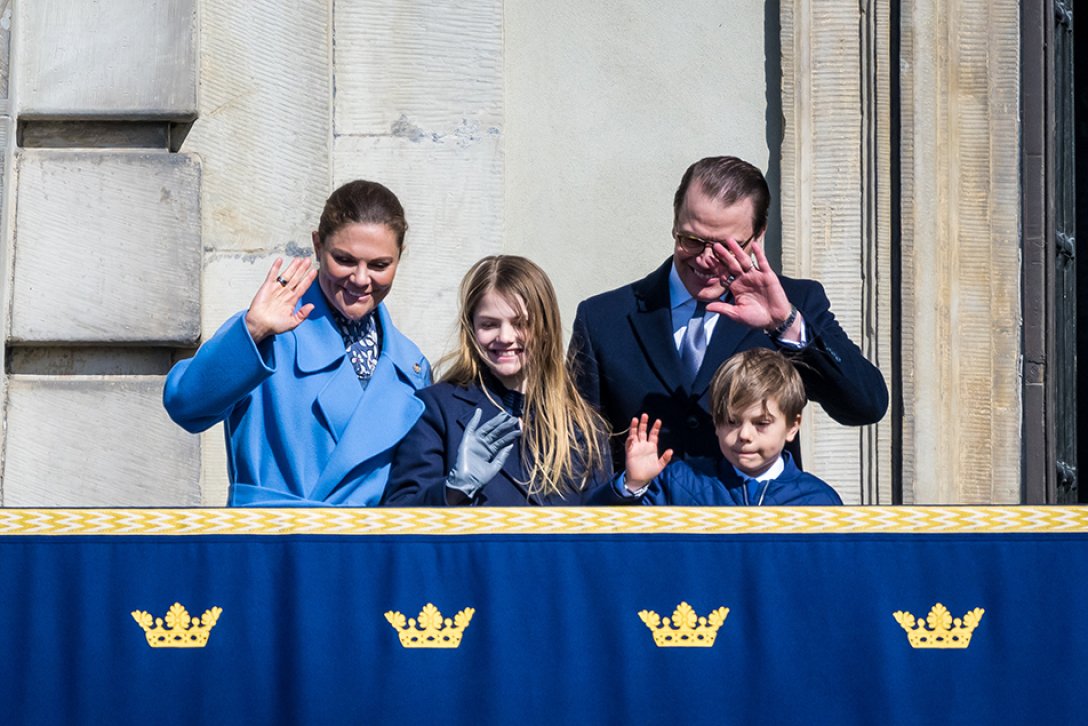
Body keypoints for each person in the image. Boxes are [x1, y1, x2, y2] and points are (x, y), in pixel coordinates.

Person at [568, 155, 888, 470]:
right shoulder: (602, 318)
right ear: (675, 222)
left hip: (754, 519)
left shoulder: (795, 302)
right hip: (645, 519)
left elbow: (866, 406)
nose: (706, 259)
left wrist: (785, 324)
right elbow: (579, 453)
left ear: (758, 234)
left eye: (724, 247)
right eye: (691, 240)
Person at [163, 180, 431, 506]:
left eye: (379, 265)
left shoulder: (411, 368)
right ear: (318, 246)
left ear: (399, 259)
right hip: (270, 545)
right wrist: (253, 329)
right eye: (344, 260)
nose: (361, 279)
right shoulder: (268, 333)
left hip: (366, 553)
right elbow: (185, 406)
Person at [382, 255, 620, 506]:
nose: (505, 337)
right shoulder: (435, 411)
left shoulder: (582, 424)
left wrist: (628, 488)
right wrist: (454, 488)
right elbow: (401, 517)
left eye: (521, 323)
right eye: (489, 324)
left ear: (546, 328)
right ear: (471, 328)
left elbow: (597, 529)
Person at [603, 348, 842, 505]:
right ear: (715, 422)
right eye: (731, 421)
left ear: (792, 426)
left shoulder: (817, 501)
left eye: (761, 423)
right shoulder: (678, 484)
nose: (745, 435)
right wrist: (633, 484)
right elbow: (611, 543)